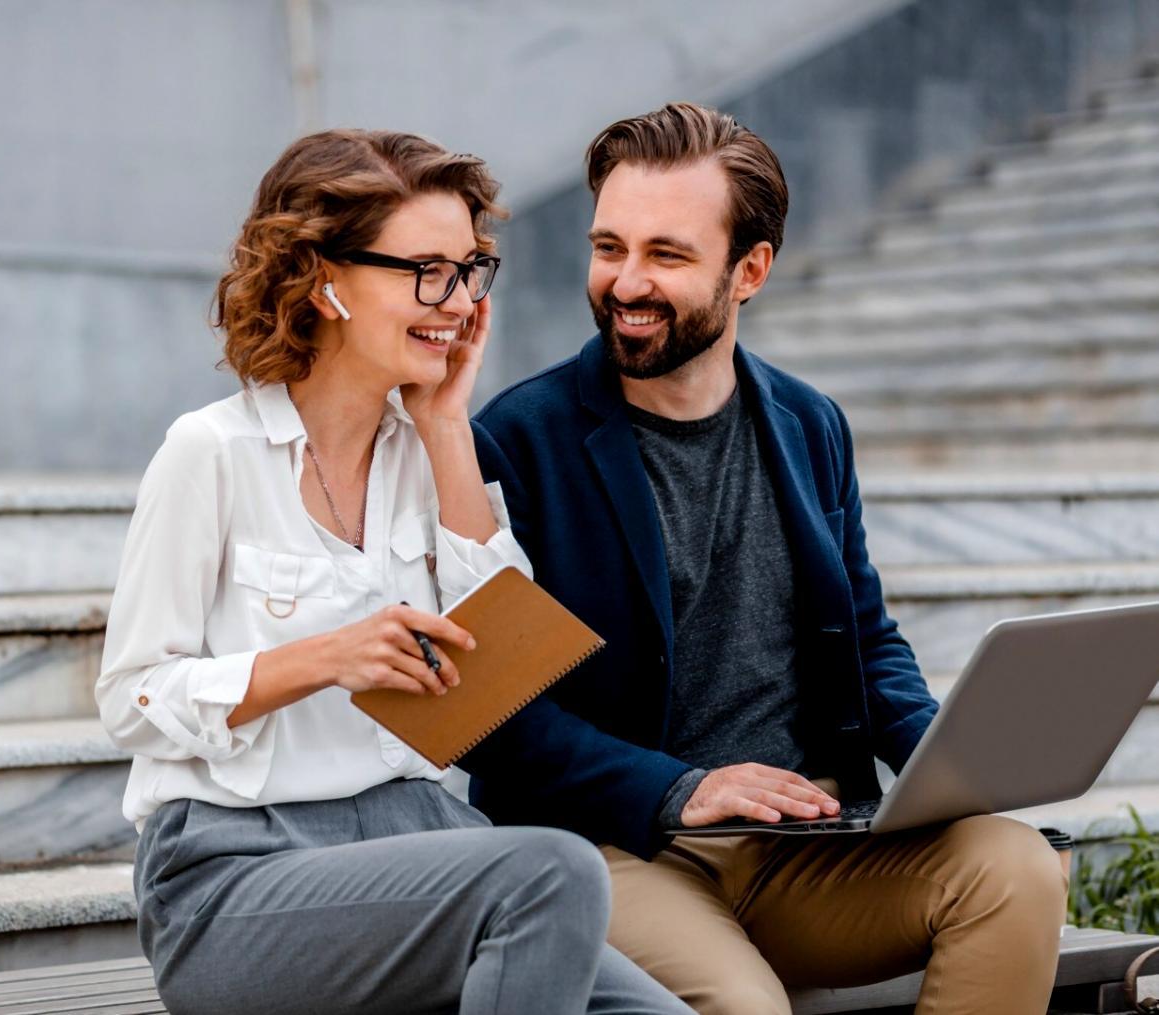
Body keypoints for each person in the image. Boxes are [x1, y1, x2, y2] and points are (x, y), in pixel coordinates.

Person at [460, 103, 1067, 1015]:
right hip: (615, 850)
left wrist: (954, 766)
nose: (625, 282)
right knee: (745, 1009)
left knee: (1014, 865)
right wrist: (681, 788)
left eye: (665, 255)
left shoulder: (808, 423)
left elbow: (864, 640)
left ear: (750, 270)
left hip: (804, 850)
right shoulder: (515, 441)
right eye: (608, 247)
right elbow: (497, 719)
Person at [96, 128, 692, 1015]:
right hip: (237, 879)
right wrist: (324, 658)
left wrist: (449, 426)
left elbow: (500, 661)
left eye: (467, 269)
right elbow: (131, 698)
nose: (454, 300)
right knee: (550, 868)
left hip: (420, 845)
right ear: (322, 277)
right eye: (425, 269)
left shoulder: (433, 449)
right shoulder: (211, 453)